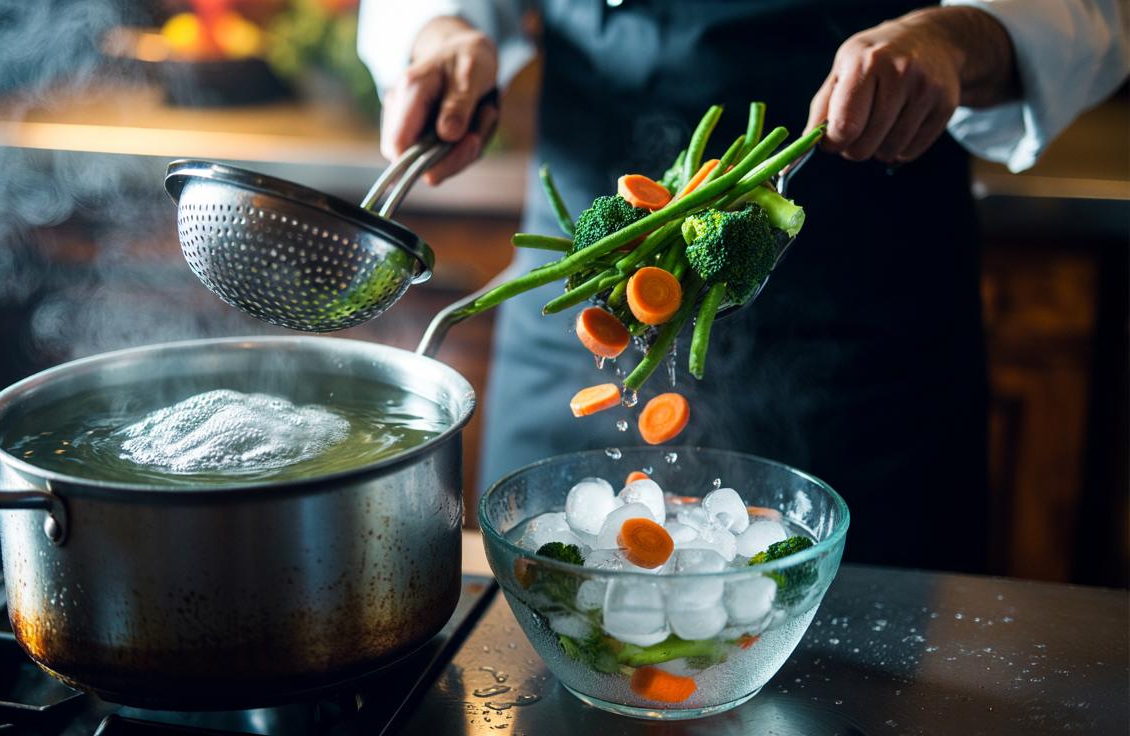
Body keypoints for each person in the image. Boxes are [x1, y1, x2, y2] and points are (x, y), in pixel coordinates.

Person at [358, 0, 1129, 572]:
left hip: (867, 332)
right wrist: (444, 33)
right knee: (547, 602)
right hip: (589, 303)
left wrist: (956, 38)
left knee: (856, 678)